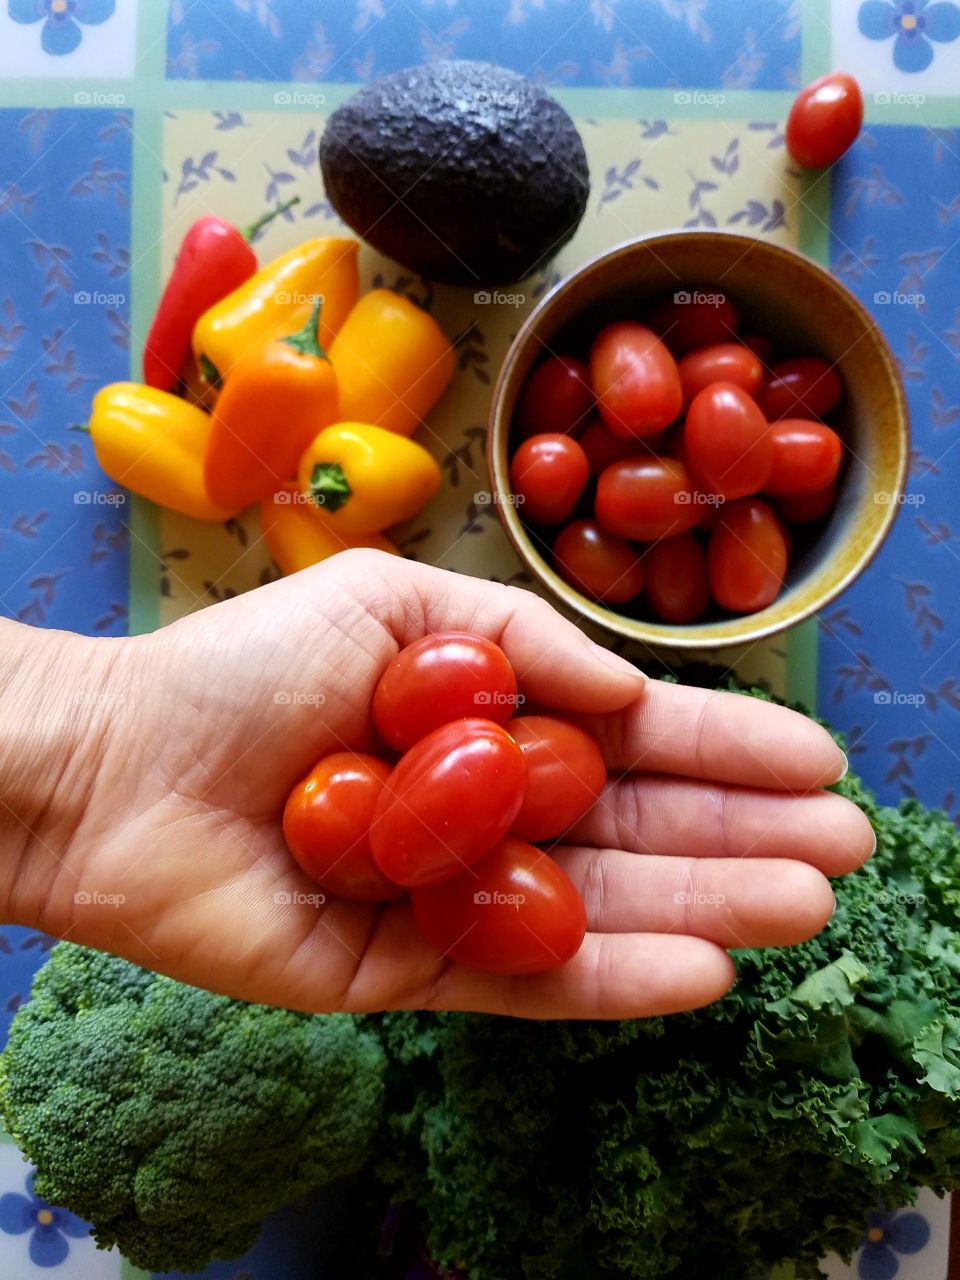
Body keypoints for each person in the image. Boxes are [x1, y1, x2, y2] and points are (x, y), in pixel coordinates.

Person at [0, 550, 874, 1021]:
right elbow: (437, 816)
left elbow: (461, 809)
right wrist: (102, 736)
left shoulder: (447, 799)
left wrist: (99, 741)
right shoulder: (405, 812)